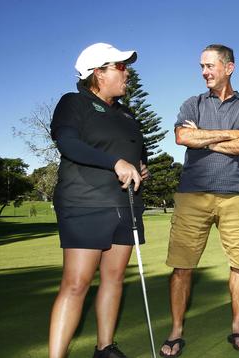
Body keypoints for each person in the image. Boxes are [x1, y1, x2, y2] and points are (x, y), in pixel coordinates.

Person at [159, 44, 239, 357]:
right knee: (182, 266)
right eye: (202, 66)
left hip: (236, 195)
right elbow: (183, 138)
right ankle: (176, 331)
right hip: (193, 194)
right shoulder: (192, 103)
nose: (204, 72)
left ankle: (237, 327)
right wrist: (230, 135)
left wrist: (206, 139)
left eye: (210, 66)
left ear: (229, 67)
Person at [48, 42, 148, 358]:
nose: (126, 71)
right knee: (76, 284)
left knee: (115, 279)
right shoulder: (74, 103)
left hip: (125, 204)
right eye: (119, 66)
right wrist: (115, 162)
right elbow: (67, 143)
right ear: (98, 73)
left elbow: (137, 156)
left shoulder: (128, 115)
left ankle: (105, 347)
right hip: (85, 202)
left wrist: (140, 169)